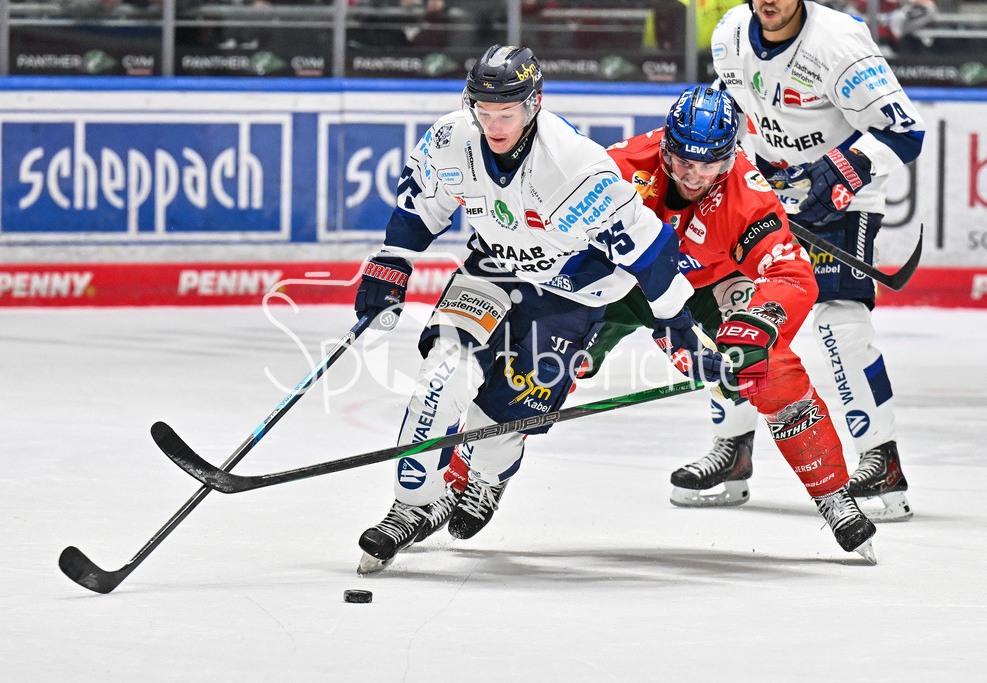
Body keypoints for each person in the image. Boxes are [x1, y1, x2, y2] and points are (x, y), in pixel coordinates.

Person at [352, 44, 725, 574]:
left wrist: (679, 324)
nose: (493, 124)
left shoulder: (573, 167)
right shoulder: (450, 138)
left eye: (505, 113)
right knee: (442, 372)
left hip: (573, 290)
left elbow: (653, 250)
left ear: (534, 104)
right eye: (483, 111)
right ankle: (409, 505)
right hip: (494, 267)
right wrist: (391, 262)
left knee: (505, 413)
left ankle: (486, 478)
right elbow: (422, 204)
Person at [586, 85, 877, 562]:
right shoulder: (617, 169)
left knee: (771, 369)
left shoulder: (747, 195)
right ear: (665, 146)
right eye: (683, 161)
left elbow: (789, 273)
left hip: (709, 284)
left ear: (731, 155)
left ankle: (833, 496)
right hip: (620, 282)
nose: (694, 175)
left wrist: (760, 325)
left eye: (710, 165)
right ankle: (463, 479)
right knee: (545, 363)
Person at [687, 0, 925, 522]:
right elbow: (739, 116)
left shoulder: (836, 41)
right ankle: (733, 448)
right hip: (765, 197)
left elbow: (905, 132)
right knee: (736, 313)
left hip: (841, 199)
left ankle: (880, 458)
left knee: (841, 323)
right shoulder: (729, 34)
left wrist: (842, 169)